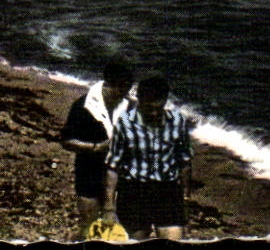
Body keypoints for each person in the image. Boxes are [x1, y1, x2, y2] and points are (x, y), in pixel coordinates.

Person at [103, 75, 194, 240]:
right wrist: (109, 207)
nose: (153, 113)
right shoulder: (125, 123)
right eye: (148, 108)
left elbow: (185, 162)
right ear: (139, 100)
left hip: (168, 191)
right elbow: (113, 167)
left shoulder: (178, 121)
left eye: (157, 109)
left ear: (165, 101)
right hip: (134, 192)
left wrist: (186, 197)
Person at [59, 61, 135, 239]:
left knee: (117, 225)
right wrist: (95, 147)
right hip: (89, 171)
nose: (125, 94)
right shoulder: (83, 107)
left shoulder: (129, 106)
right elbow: (66, 140)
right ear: (109, 84)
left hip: (119, 173)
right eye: (122, 89)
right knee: (89, 224)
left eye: (128, 89)